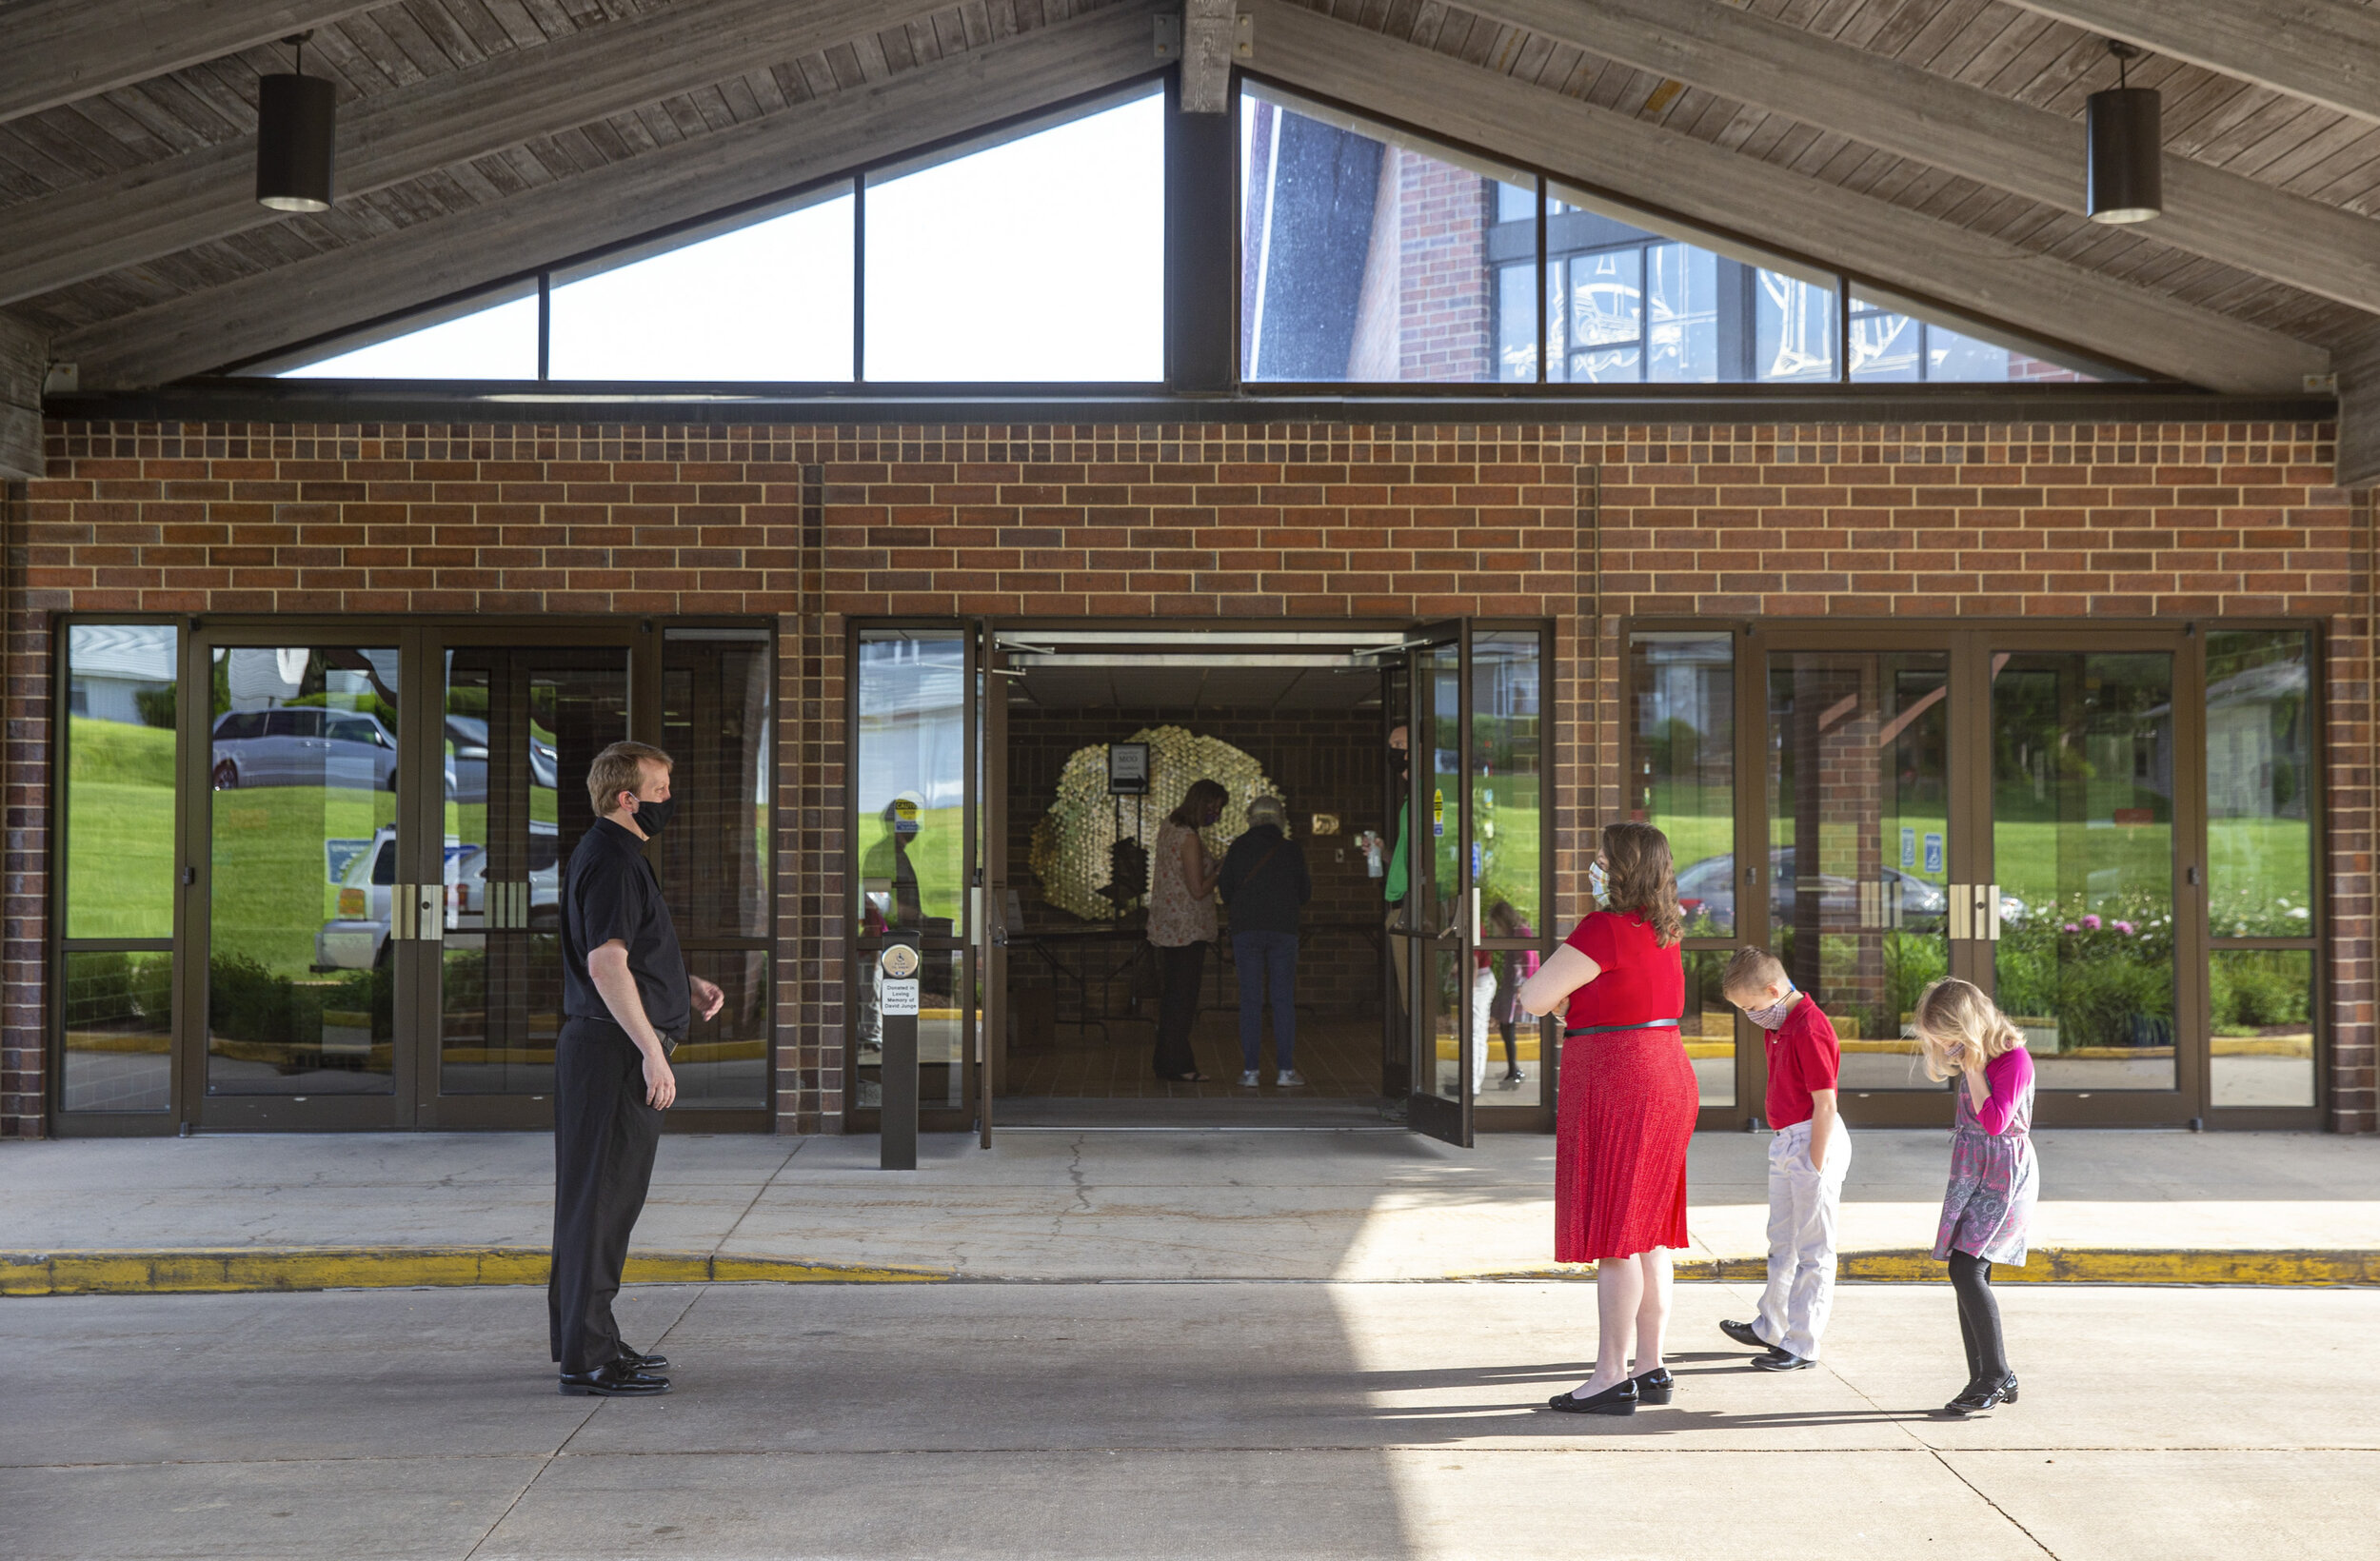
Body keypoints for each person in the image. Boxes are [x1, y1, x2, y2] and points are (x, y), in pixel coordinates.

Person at [549, 740, 725, 1397]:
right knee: (604, 1203)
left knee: (590, 1201)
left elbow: (629, 955)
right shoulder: (616, 860)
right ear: (628, 798)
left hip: (599, 1049)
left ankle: (583, 1340)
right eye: (659, 789)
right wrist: (653, 1050)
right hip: (613, 1055)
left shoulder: (607, 854)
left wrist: (685, 983)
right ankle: (588, 1359)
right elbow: (605, 965)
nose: (667, 801)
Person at [1517, 821, 1697, 1416]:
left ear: (1622, 868)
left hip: (1621, 1082)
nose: (1594, 865)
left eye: (1602, 857)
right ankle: (1650, 1367)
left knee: (1619, 1237)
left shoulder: (1603, 929)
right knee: (1648, 1236)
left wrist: (1566, 999)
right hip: (1665, 1076)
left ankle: (1608, 1376)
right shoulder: (1665, 930)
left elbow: (1534, 998)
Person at [1716, 946, 1850, 1373]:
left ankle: (1803, 1343)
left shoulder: (1810, 1027)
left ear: (1773, 990)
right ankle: (1771, 1325)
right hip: (1786, 1139)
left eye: (1751, 1006)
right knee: (1783, 1240)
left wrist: (1814, 1163)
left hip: (1814, 1139)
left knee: (1814, 1247)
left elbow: (1825, 1104)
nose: (1749, 1015)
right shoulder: (1779, 1022)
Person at [1914, 977, 2038, 1417]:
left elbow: (1995, 1122)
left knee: (1968, 1268)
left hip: (2004, 1173)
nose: (1944, 1046)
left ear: (1966, 1027)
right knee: (1964, 1267)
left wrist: (1971, 1068)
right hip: (1975, 1168)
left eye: (1947, 1036)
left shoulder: (2013, 1060)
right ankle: (1982, 1377)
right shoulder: (1982, 1058)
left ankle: (1995, 1375)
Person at [1220, 795, 1312, 1087]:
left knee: (1250, 999)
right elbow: (1305, 892)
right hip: (1283, 929)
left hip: (1246, 929)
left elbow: (1225, 890)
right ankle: (1285, 1071)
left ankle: (1251, 1072)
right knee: (1283, 999)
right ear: (1280, 818)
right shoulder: (1291, 850)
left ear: (1250, 817)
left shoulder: (1238, 847)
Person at [1148, 778, 1228, 1082]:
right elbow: (1197, 889)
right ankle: (1179, 1064)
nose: (1216, 815)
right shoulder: (1190, 838)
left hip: (1167, 924)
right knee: (1183, 998)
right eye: (1215, 808)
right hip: (1188, 927)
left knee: (1172, 996)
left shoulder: (1169, 827)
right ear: (1203, 804)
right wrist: (1220, 871)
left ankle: (1166, 1061)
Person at [1486, 899, 1539, 1090]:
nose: (1496, 928)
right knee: (1506, 1026)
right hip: (1512, 985)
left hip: (1516, 987)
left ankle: (1513, 1070)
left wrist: (1523, 986)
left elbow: (1528, 959)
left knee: (1507, 1027)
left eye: (1496, 923)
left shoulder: (1520, 932)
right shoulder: (1517, 931)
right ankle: (1512, 1067)